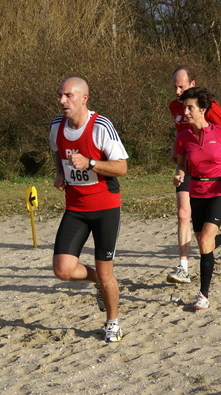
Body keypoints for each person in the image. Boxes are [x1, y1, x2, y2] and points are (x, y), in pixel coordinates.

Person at [49, 77, 129, 342]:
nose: (62, 101)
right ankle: (99, 283)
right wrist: (61, 172)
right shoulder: (56, 126)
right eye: (60, 95)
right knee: (63, 269)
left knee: (106, 271)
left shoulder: (101, 126)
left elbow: (121, 167)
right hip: (75, 207)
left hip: (105, 206)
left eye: (68, 96)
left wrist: (91, 162)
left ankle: (112, 322)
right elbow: (57, 152)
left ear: (84, 98)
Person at [167, 65, 221, 285]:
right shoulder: (175, 107)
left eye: (181, 86)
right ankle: (183, 268)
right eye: (174, 87)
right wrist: (179, 155)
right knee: (184, 214)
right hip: (187, 166)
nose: (177, 91)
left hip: (209, 172)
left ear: (192, 84)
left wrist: (215, 160)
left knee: (200, 221)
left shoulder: (207, 107)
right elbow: (181, 134)